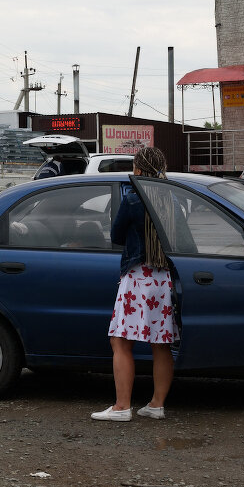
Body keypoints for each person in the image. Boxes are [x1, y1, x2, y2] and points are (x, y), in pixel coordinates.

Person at [91, 146, 178, 422]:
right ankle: (156, 405)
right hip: (164, 278)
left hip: (139, 276)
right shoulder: (172, 197)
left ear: (138, 170)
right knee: (161, 344)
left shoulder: (133, 198)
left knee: (120, 341)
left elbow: (117, 234)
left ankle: (121, 407)